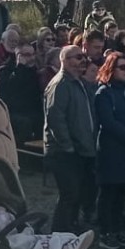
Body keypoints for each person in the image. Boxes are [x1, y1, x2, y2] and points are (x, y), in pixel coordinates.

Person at [92, 51, 125, 248]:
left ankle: (117, 230)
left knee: (122, 191)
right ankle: (105, 232)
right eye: (122, 67)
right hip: (111, 150)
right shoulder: (104, 93)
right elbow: (108, 123)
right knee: (109, 192)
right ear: (111, 69)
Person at [44, 43, 98, 232]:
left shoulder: (79, 83)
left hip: (81, 149)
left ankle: (72, 227)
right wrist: (68, 146)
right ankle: (60, 231)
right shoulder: (60, 84)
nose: (83, 60)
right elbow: (56, 119)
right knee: (69, 194)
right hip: (64, 151)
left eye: (83, 57)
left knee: (78, 192)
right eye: (78, 57)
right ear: (64, 61)